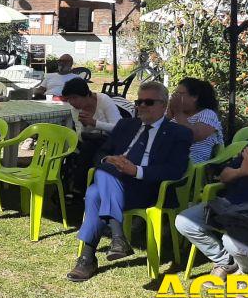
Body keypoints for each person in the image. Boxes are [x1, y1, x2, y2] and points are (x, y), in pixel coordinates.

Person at [67, 81, 192, 282]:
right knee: (102, 176)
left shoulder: (179, 133)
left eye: (148, 102)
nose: (141, 106)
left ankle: (88, 258)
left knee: (95, 192)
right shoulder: (126, 125)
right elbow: (102, 152)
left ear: (163, 105)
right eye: (139, 101)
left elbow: (175, 170)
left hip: (148, 189)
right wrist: (109, 159)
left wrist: (136, 171)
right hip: (116, 182)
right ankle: (116, 239)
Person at [175, 100, 248, 278]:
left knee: (232, 241)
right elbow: (224, 175)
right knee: (185, 221)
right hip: (233, 206)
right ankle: (226, 261)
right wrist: (242, 171)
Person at [61, 77, 124, 195]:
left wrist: (94, 123)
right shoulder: (75, 109)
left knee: (88, 149)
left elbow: (119, 128)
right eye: (69, 99)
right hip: (91, 141)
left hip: (112, 141)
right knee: (86, 147)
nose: (72, 102)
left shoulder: (103, 100)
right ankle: (82, 187)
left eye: (74, 98)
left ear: (86, 94)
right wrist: (85, 126)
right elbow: (80, 134)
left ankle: (79, 187)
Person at [169, 77, 224, 164]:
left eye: (180, 94)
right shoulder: (176, 116)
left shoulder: (207, 114)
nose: (176, 97)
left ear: (194, 97)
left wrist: (178, 113)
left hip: (190, 166)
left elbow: (194, 135)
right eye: (175, 93)